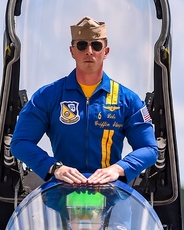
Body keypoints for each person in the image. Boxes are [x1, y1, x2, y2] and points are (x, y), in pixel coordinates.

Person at [10, 16, 158, 186]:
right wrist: (55, 167)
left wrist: (117, 169)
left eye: (96, 46)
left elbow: (149, 149)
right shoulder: (47, 96)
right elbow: (20, 143)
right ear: (72, 51)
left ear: (106, 51)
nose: (89, 51)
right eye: (81, 45)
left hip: (112, 194)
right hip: (60, 193)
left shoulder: (128, 100)